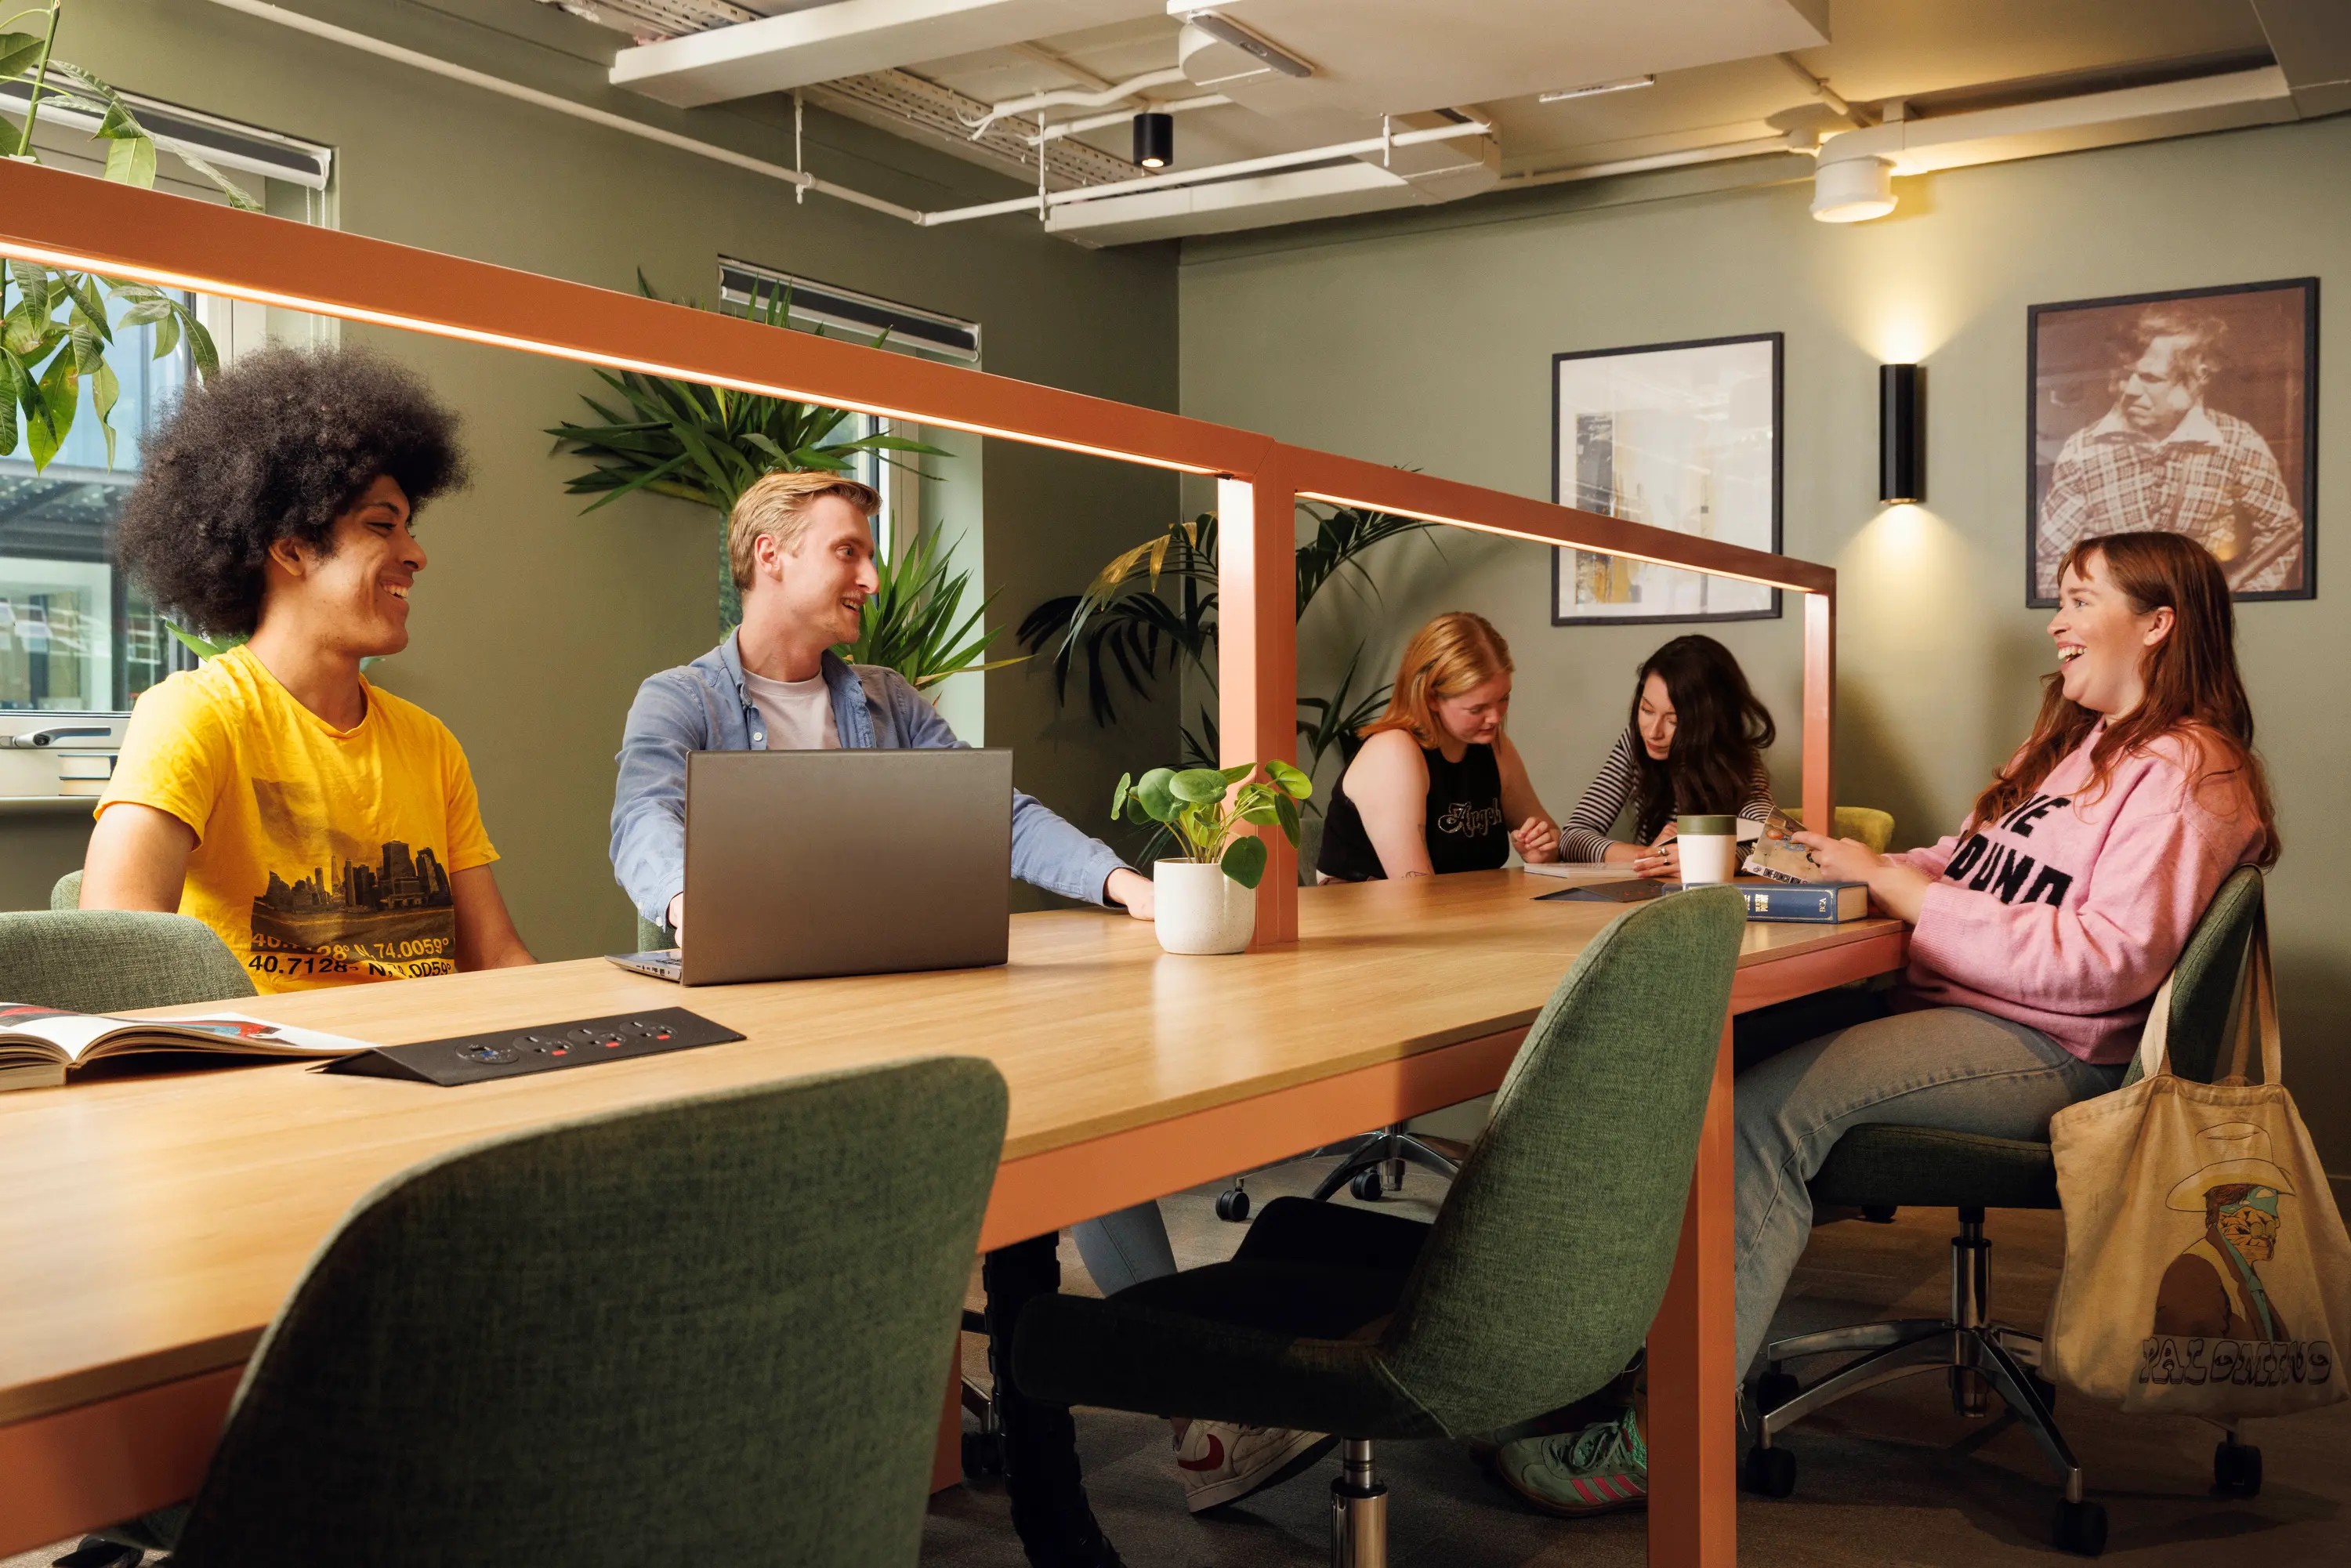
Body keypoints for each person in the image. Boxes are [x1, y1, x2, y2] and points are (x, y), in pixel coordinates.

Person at [1496, 531, 2277, 1516]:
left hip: (2052, 1050)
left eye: (2082, 601)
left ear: (2158, 623)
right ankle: (1617, 1361)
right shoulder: (2088, 750)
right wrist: (1851, 863)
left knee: (1760, 1116)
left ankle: (1670, 1437)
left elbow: (2104, 963)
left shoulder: (2187, 774)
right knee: (1695, 1062)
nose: (2058, 623)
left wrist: (1901, 896)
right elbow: (1976, 859)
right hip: (1971, 1012)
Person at [605, 470, 1302, 1559]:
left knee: (1073, 1123)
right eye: (848, 551)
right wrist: (701, 905)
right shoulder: (682, 699)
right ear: (772, 556)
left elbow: (998, 814)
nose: (870, 579)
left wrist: (1127, 885)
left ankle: (1187, 1407)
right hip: (762, 1023)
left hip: (901, 995)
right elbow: (641, 824)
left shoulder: (882, 696)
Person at [83, 345, 534, 991]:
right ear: (291, 547)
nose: (417, 554)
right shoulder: (195, 717)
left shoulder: (431, 746)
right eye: (384, 526)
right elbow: (118, 957)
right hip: (262, 1079)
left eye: (410, 527)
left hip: (435, 1068)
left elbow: (497, 960)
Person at [2038, 304, 2303, 596]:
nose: (2130, 391)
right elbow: (2054, 558)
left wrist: (2236, 600)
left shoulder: (2239, 441)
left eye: (2150, 378)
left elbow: (2281, 532)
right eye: (2126, 375)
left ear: (2199, 377)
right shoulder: (2081, 449)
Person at [1316, 611, 1559, 881]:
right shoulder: (1393, 753)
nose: (1495, 718)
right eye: (1477, 708)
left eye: (1504, 698)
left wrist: (1542, 850)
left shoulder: (1494, 746)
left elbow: (1549, 834)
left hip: (1456, 911)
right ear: (1431, 697)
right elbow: (1415, 889)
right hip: (1366, 916)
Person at [1557, 634, 1774, 877]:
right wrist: (1655, 857)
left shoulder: (1737, 760)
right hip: (1651, 893)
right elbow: (1573, 836)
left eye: (1674, 721)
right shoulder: (1634, 744)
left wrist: (1712, 858)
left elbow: (1784, 848)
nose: (1652, 732)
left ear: (1709, 723)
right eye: (1646, 710)